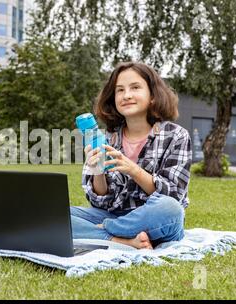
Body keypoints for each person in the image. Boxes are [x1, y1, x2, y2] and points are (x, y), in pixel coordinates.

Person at [70, 61, 192, 250]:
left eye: (135, 87)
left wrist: (134, 170)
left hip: (154, 219)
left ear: (153, 95)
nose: (126, 95)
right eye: (120, 90)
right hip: (111, 215)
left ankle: (103, 233)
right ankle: (121, 241)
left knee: (170, 209)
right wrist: (98, 171)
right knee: (55, 214)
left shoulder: (176, 136)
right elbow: (98, 202)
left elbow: (174, 194)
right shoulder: (104, 139)